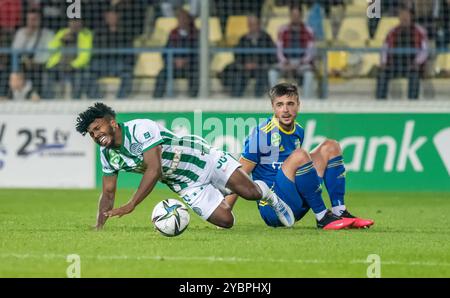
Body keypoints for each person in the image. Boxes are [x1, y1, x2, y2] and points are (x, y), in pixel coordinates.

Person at [75, 102, 295, 230]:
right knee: (226, 222)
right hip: (184, 183)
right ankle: (223, 191)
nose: (96, 135)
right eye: (92, 133)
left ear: (112, 122)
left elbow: (154, 169)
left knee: (251, 193)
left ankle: (269, 195)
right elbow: (108, 192)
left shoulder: (140, 128)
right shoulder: (107, 155)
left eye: (98, 127)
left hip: (203, 158)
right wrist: (99, 226)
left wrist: (132, 204)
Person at [225, 83, 374, 230]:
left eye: (290, 104)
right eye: (280, 105)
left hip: (297, 204)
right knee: (300, 155)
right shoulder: (262, 134)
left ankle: (339, 211)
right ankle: (322, 216)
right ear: (273, 107)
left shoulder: (299, 131)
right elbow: (239, 175)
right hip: (273, 209)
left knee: (331, 146)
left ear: (298, 105)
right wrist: (226, 210)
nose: (285, 110)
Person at [375, 5, 429, 100]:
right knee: (382, 74)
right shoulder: (392, 31)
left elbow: (424, 51)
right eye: (402, 14)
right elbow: (384, 49)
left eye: (406, 15)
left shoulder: (419, 31)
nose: (404, 17)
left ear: (411, 16)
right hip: (395, 65)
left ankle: (412, 105)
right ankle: (380, 103)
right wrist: (383, 62)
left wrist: (417, 62)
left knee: (414, 76)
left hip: (412, 66)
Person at [268, 4, 317, 99]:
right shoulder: (282, 30)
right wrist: (285, 62)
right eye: (293, 15)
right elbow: (279, 49)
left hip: (302, 64)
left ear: (301, 16)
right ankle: (274, 100)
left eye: (297, 15)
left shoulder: (309, 30)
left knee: (309, 74)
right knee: (272, 72)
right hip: (286, 63)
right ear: (290, 16)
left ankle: (307, 101)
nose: (295, 18)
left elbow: (310, 52)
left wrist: (300, 63)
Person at [87, 8, 134, 99]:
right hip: (102, 61)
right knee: (89, 73)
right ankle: (97, 99)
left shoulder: (125, 32)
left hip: (119, 62)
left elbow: (129, 49)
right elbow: (97, 47)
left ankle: (121, 99)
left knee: (127, 74)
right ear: (106, 17)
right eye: (109, 16)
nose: (112, 18)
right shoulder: (99, 31)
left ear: (118, 17)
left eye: (113, 16)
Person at [225, 15, 277, 98]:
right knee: (238, 76)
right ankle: (235, 99)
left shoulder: (266, 38)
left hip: (261, 69)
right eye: (250, 24)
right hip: (246, 69)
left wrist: (259, 65)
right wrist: (245, 65)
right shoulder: (243, 39)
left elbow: (272, 56)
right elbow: (237, 56)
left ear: (259, 24)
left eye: (254, 24)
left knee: (262, 77)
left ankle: (258, 100)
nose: (251, 27)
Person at [153, 9, 199, 98]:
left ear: (189, 20)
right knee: (162, 74)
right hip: (174, 66)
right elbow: (165, 53)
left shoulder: (196, 34)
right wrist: (174, 61)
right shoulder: (173, 33)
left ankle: (193, 98)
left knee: (195, 74)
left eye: (184, 18)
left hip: (190, 66)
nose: (182, 21)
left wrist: (187, 61)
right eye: (180, 19)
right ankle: (156, 99)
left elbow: (199, 53)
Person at [42, 19, 93, 99]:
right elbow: (50, 48)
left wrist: (72, 65)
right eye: (72, 21)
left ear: (81, 22)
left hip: (76, 67)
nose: (74, 24)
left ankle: (75, 101)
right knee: (48, 75)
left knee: (79, 77)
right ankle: (48, 101)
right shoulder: (63, 32)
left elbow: (85, 55)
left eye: (77, 21)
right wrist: (61, 40)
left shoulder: (86, 34)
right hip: (59, 65)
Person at [11, 9, 54, 96]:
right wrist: (26, 37)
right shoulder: (21, 32)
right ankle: (8, 95)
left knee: (37, 72)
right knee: (13, 71)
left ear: (40, 20)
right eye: (30, 19)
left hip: (40, 64)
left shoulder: (48, 34)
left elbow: (49, 52)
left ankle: (36, 95)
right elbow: (15, 50)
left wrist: (36, 61)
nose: (32, 22)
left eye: (35, 19)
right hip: (23, 63)